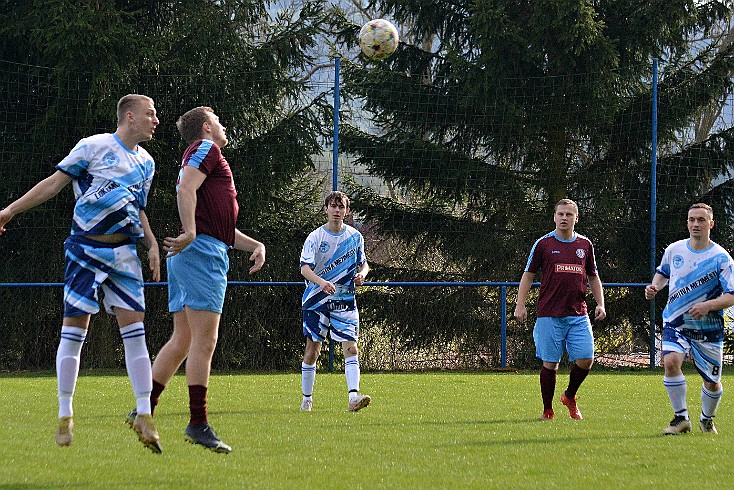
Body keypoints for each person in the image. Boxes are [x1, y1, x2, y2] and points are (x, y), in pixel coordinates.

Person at [0, 94, 162, 452]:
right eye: (151, 114)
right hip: (85, 249)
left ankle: (143, 412)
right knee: (75, 330)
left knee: (135, 331)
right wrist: (8, 211)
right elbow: (53, 184)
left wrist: (150, 244)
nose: (156, 121)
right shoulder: (93, 147)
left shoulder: (147, 163)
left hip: (125, 254)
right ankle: (65, 413)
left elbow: (139, 209)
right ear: (130, 116)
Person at [127, 106, 265, 454]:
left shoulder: (202, 154)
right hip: (200, 252)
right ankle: (198, 423)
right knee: (205, 341)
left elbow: (220, 226)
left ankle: (143, 409)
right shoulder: (208, 149)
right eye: (218, 119)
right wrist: (189, 231)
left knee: (183, 340)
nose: (223, 124)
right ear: (206, 127)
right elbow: (185, 190)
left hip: (196, 251)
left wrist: (256, 244)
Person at [645, 203, 734, 435]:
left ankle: (707, 418)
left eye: (701, 220)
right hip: (676, 321)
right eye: (691, 219)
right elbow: (663, 273)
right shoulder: (674, 250)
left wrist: (708, 306)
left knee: (712, 382)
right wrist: (654, 286)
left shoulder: (721, 258)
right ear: (687, 222)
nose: (696, 224)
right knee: (671, 362)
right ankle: (681, 419)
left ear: (711, 224)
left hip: (708, 327)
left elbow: (731, 295)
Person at [514, 198, 606, 421]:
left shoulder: (585, 245)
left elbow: (593, 276)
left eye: (569, 214)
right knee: (550, 363)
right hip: (549, 314)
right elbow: (528, 275)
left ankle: (569, 396)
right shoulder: (543, 244)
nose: (564, 218)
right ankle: (547, 410)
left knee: (586, 358)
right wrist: (520, 304)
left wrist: (601, 303)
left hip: (578, 313)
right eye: (560, 214)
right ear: (554, 217)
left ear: (576, 218)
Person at [299, 191, 371, 413]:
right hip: (316, 300)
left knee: (351, 348)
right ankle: (307, 399)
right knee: (313, 351)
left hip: (345, 300)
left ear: (347, 211)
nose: (337, 210)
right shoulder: (315, 237)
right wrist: (321, 283)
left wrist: (363, 275)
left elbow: (364, 264)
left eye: (341, 207)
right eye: (333, 206)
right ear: (326, 209)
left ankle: (353, 398)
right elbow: (304, 269)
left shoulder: (354, 237)